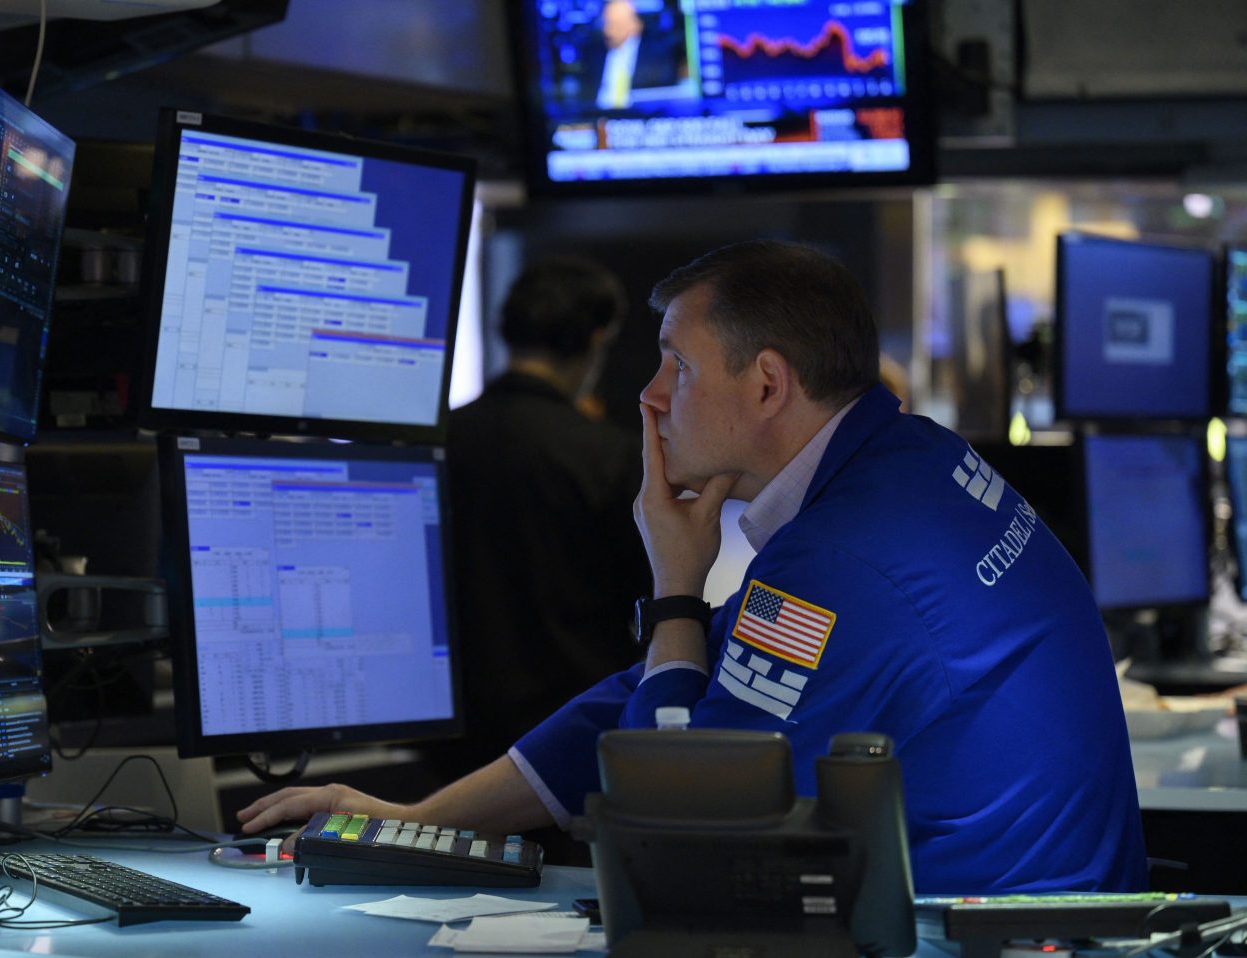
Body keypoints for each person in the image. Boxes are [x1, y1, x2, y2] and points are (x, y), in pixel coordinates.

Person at [237, 240, 1147, 895]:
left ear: (766, 385)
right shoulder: (909, 462)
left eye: (676, 364)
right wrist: (413, 819)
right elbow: (679, 681)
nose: (649, 395)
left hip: (972, 927)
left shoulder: (841, 555)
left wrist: (676, 583)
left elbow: (669, 821)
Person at [427, 256, 651, 781]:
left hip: (447, 738)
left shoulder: (437, 442)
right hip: (568, 737)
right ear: (596, 340)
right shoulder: (610, 456)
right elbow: (647, 599)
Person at [583, 0, 685, 110]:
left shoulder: (657, 57)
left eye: (615, 25)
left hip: (639, 119)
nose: (608, 31)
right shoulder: (593, 56)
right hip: (597, 119)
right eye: (606, 24)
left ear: (636, 25)